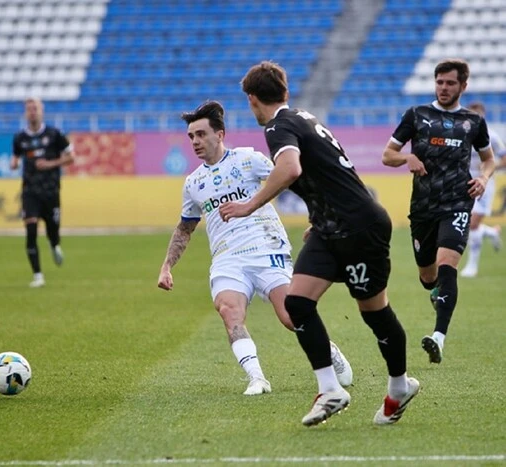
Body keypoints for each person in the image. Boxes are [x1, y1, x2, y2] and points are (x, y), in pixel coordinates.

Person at [220, 61, 418, 426]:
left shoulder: (280, 125)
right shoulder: (304, 118)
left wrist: (249, 205)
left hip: (359, 227)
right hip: (331, 226)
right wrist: (319, 217)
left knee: (374, 312)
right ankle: (330, 389)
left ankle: (399, 385)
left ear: (251, 99)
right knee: (297, 302)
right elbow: (327, 173)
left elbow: (292, 169)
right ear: (284, 91)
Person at [157, 101, 353, 397]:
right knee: (229, 311)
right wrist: (167, 266)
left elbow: (294, 179)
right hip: (227, 259)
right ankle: (257, 378)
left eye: (201, 134)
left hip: (266, 249)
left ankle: (330, 351)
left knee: (291, 317)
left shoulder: (248, 159)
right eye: (191, 137)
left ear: (220, 134)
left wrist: (318, 216)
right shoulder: (193, 183)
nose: (195, 142)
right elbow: (185, 227)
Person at [382, 59, 496, 364]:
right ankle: (436, 293)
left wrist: (484, 178)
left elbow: (489, 159)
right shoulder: (417, 115)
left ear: (463, 86)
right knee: (428, 277)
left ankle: (438, 337)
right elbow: (387, 155)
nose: (444, 88)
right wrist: (407, 159)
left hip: (458, 203)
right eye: (440, 82)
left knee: (448, 267)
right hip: (422, 208)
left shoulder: (473, 122)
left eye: (450, 83)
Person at [10, 98, 74, 288]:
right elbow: (15, 157)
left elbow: (71, 157)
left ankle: (54, 245)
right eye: (29, 109)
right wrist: (13, 163)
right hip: (30, 192)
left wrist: (50, 164)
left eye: (35, 108)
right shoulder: (20, 138)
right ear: (26, 112)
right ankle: (38, 275)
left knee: (53, 231)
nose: (33, 112)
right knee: (31, 231)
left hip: (51, 191)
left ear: (42, 111)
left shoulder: (54, 134)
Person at [460, 102, 504, 278]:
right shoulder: (462, 135)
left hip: (484, 183)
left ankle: (472, 265)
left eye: (479, 115)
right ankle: (491, 232)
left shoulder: (491, 136)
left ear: (483, 116)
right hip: (463, 182)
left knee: (473, 223)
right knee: (467, 223)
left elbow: (504, 158)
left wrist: (487, 169)